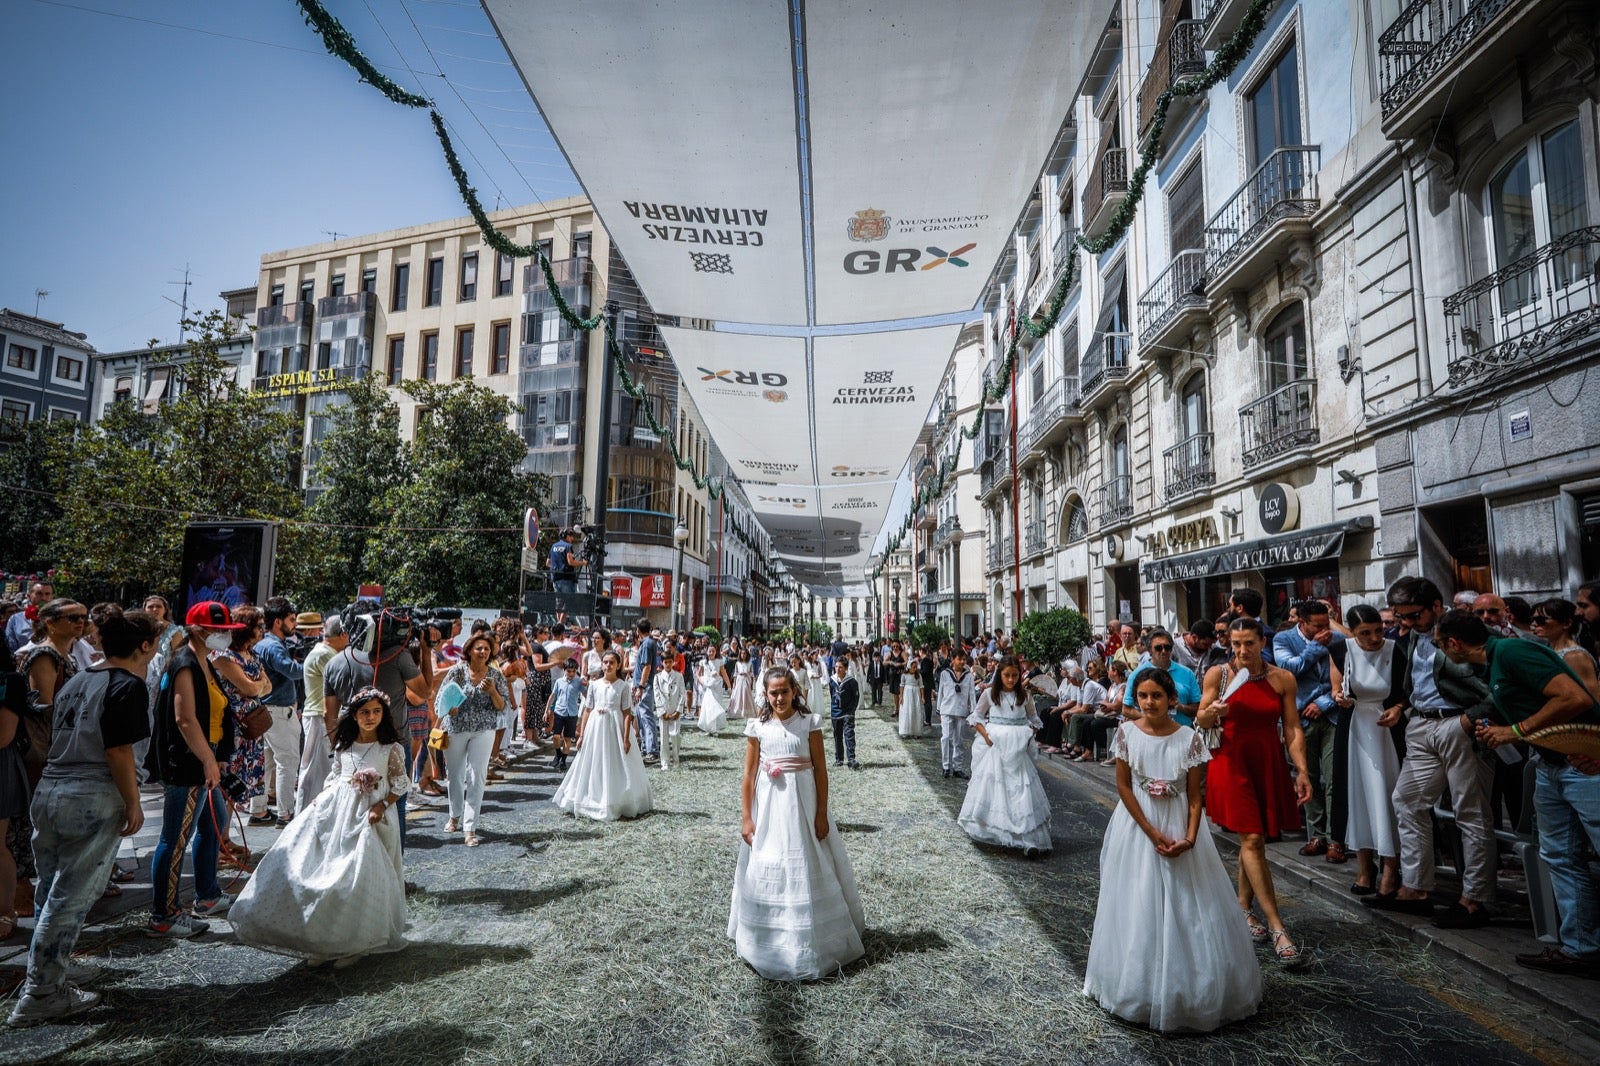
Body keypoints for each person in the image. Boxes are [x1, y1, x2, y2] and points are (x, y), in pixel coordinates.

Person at [1084, 668, 1262, 1032]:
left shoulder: (1189, 739)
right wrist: (1150, 831)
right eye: (1143, 696)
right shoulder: (1126, 734)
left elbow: (1196, 796)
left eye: (1157, 696)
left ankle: (1192, 989)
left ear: (1171, 700)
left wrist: (1191, 838)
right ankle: (1138, 986)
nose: (1150, 703)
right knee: (1139, 901)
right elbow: (1124, 787)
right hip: (1138, 826)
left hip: (1180, 823)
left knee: (1189, 904)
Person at [6, 606, 159, 1026]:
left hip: (53, 788)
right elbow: (118, 750)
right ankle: (41, 993)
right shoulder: (126, 684)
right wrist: (132, 800)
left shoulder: (78, 678)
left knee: (50, 889)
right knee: (69, 898)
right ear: (144, 646)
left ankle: (50, 968)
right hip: (91, 793)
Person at [1437, 610, 1600, 976]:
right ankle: (1582, 947)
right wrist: (1499, 728)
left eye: (1440, 644)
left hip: (1585, 761)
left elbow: (1575, 697)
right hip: (1552, 764)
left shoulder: (1511, 652)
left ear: (1454, 644)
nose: (1441, 652)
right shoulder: (1493, 664)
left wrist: (1516, 730)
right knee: (1560, 856)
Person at [228, 687, 408, 966]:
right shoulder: (344, 746)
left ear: (384, 714)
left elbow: (399, 783)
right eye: (364, 712)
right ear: (355, 716)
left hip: (371, 816)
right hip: (338, 813)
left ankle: (357, 940)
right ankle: (327, 940)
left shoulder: (390, 749)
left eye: (376, 712)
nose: (370, 717)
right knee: (326, 869)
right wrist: (320, 803)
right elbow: (335, 778)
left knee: (359, 874)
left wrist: (381, 805)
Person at [1365, 577, 1496, 930]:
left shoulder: (1463, 628)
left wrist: (1471, 719)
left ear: (1436, 606)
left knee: (1471, 812)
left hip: (1458, 724)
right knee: (1406, 800)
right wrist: (1402, 706)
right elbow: (1420, 679)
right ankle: (1417, 889)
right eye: (1401, 617)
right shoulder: (1413, 635)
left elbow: (1500, 682)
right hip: (1420, 723)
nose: (1405, 623)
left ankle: (1474, 899)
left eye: (1413, 615)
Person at [728, 667, 865, 981]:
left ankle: (812, 941)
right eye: (773, 692)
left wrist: (821, 813)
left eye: (784, 692)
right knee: (769, 861)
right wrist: (747, 817)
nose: (779, 698)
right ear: (766, 694)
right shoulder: (758, 727)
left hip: (802, 807)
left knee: (806, 861)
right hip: (770, 811)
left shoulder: (808, 724)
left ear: (795, 691)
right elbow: (749, 777)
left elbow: (820, 771)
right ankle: (766, 939)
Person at [1194, 617, 1312, 966]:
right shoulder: (1220, 674)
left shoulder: (1282, 679)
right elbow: (1199, 717)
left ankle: (1243, 908)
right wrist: (1210, 713)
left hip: (1267, 761)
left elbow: (1292, 728)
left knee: (1254, 838)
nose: (1242, 651)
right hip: (1230, 761)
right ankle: (1277, 927)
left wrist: (1302, 770)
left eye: (1249, 643)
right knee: (1252, 839)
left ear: (1263, 641)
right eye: (1236, 644)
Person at [147, 602, 243, 938]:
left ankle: (208, 896)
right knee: (174, 841)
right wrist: (206, 760)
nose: (225, 637)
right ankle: (164, 914)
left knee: (213, 825)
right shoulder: (185, 662)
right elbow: (184, 719)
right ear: (199, 630)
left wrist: (216, 757)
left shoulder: (203, 661)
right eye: (220, 631)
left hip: (205, 761)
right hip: (188, 766)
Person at [1328, 604, 1403, 898]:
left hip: (1388, 728)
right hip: (1355, 727)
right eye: (1365, 633)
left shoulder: (1396, 650)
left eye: (1378, 631)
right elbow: (1337, 688)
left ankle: (1391, 867)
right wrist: (1339, 697)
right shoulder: (1339, 649)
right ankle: (1364, 866)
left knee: (1387, 794)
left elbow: (1407, 691)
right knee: (1356, 795)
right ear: (1353, 632)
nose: (1374, 638)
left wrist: (1399, 708)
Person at [1273, 600, 1347, 863]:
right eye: (1317, 625)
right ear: (1301, 623)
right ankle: (1316, 836)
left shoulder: (1336, 639)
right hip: (1299, 717)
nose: (1323, 629)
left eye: (1326, 624)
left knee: (1334, 777)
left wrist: (1325, 702)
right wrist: (1317, 646)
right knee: (1308, 778)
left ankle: (1336, 838)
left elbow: (1347, 673)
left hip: (1331, 713)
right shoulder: (1283, 639)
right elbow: (1290, 670)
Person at [959, 655, 1051, 856]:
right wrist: (987, 737)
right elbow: (977, 717)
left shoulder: (1025, 696)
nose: (1011, 680)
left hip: (1018, 751)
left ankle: (1028, 839)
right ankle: (999, 832)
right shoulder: (990, 694)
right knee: (996, 789)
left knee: (1021, 791)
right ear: (1000, 675)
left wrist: (1028, 735)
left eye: (1015, 676)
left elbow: (1034, 719)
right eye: (1007, 675)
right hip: (997, 748)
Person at [553, 650, 652, 821]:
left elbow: (627, 713)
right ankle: (591, 798)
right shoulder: (594, 684)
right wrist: (582, 735)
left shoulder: (623, 686)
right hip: (596, 727)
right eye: (605, 662)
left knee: (614, 761)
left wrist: (626, 737)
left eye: (612, 662)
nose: (608, 665)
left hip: (615, 727)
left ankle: (617, 800)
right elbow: (587, 710)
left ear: (618, 665)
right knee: (594, 761)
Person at [438, 634, 508, 848]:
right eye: (479, 648)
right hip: (456, 728)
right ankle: (454, 815)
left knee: (477, 776)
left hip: (483, 729)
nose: (483, 652)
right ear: (469, 651)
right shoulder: (457, 672)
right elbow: (441, 699)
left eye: (487, 649)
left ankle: (470, 828)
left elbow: (502, 706)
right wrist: (450, 708)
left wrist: (492, 691)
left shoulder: (495, 675)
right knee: (455, 775)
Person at [211, 607, 274, 829]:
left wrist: (256, 687)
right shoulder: (223, 655)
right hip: (233, 728)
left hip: (251, 729)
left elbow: (268, 687)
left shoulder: (252, 654)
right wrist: (256, 686)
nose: (262, 631)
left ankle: (226, 837)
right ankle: (219, 840)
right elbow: (251, 688)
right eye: (258, 626)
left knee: (239, 786)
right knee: (227, 783)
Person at [253, 597, 305, 827]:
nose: (294, 625)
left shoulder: (262, 644)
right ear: (277, 622)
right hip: (278, 713)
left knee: (265, 763)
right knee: (287, 762)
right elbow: (293, 672)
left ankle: (259, 811)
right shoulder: (273, 646)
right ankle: (285, 814)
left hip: (265, 711)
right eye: (292, 620)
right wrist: (311, 666)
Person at [294, 616, 346, 815]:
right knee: (314, 773)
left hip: (320, 716)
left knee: (321, 771)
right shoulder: (325, 654)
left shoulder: (326, 652)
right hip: (319, 717)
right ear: (342, 635)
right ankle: (304, 819)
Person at [1122, 630, 1201, 726]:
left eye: (1167, 647)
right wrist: (1151, 719)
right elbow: (1126, 709)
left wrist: (1180, 706)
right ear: (1150, 650)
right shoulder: (1136, 675)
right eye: (1158, 648)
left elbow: (1197, 708)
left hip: (1182, 731)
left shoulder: (1187, 673)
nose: (1163, 651)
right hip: (1150, 733)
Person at [1531, 599, 1600, 703]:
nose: (1534, 624)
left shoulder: (1576, 657)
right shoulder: (1548, 648)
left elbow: (1591, 699)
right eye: (1533, 619)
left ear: (1566, 623)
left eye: (1541, 620)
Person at [935, 650, 976, 779]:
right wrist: (938, 709)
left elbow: (971, 694)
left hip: (962, 711)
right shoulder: (945, 674)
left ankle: (957, 767)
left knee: (959, 740)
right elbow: (940, 691)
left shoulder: (968, 676)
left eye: (964, 659)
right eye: (960, 659)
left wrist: (973, 712)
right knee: (946, 738)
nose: (962, 662)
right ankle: (946, 766)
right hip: (946, 709)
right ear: (953, 659)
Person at [630, 619, 662, 766]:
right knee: (642, 718)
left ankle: (652, 751)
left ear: (638, 630)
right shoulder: (648, 643)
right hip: (641, 685)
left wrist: (641, 686)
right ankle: (646, 748)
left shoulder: (648, 644)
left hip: (645, 686)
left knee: (646, 718)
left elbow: (647, 667)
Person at [546, 658, 585, 772]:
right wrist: (547, 710)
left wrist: (587, 684)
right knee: (556, 736)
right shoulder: (559, 682)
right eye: (568, 671)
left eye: (573, 671)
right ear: (564, 670)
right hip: (559, 711)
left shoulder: (578, 682)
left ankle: (563, 760)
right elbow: (552, 696)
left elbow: (586, 694)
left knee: (567, 738)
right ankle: (558, 754)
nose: (571, 674)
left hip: (572, 713)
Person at [654, 643, 687, 770]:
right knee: (664, 737)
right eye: (665, 662)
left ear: (673, 662)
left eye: (670, 662)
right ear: (662, 663)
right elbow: (657, 695)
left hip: (675, 710)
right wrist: (662, 712)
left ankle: (676, 760)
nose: (667, 664)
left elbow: (682, 693)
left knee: (675, 735)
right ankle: (665, 762)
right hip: (664, 711)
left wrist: (679, 710)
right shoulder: (657, 677)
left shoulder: (678, 676)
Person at [827, 657, 861, 771]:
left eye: (840, 667)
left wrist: (851, 710)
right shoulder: (832, 680)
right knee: (837, 735)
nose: (838, 669)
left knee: (849, 734)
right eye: (836, 667)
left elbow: (855, 697)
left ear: (846, 669)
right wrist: (834, 708)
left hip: (847, 712)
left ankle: (851, 759)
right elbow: (832, 694)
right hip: (836, 712)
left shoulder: (851, 681)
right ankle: (839, 758)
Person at [1228, 589, 1275, 665]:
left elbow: (1266, 661)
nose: (1228, 610)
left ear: (1240, 608)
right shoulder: (1235, 631)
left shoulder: (1266, 633)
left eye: (1230, 605)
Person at [5, 582, 53, 653]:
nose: (43, 598)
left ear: (52, 597)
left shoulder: (59, 617)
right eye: (39, 594)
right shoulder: (15, 619)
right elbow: (10, 647)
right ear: (28, 596)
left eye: (47, 594)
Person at [550, 527, 586, 595]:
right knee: (570, 602)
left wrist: (559, 565)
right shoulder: (568, 546)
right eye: (571, 536)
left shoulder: (553, 546)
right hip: (567, 579)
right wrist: (583, 563)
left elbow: (548, 563)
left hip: (555, 579)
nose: (572, 538)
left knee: (559, 603)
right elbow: (570, 562)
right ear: (566, 536)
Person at [897, 648, 924, 739]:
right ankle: (906, 730)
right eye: (913, 667)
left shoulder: (918, 675)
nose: (915, 669)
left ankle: (915, 731)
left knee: (915, 710)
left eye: (916, 667)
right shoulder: (904, 675)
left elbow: (921, 686)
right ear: (909, 667)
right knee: (907, 710)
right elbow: (902, 686)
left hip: (915, 693)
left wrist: (922, 697)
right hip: (907, 694)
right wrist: (901, 696)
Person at [728, 646, 756, 719]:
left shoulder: (749, 663)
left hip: (746, 680)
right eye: (742, 654)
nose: (743, 655)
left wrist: (752, 684)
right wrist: (734, 684)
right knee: (739, 695)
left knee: (746, 694)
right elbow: (735, 674)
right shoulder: (737, 663)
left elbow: (752, 674)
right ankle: (738, 710)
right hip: (739, 680)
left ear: (747, 655)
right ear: (740, 655)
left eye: (745, 654)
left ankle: (746, 710)